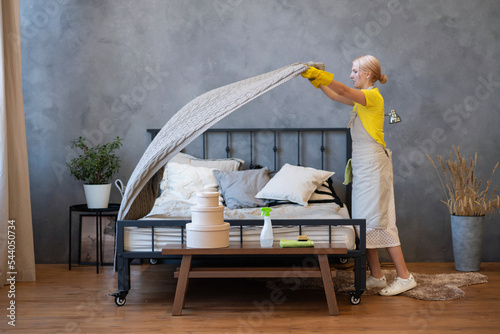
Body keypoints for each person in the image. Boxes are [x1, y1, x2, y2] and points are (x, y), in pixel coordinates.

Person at [301, 55, 417, 296]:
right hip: (365, 167)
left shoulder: (371, 96)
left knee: (380, 221)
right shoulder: (359, 101)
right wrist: (315, 79)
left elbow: (341, 88)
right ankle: (377, 276)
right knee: (364, 222)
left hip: (374, 166)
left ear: (367, 75)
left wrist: (320, 74)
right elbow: (335, 94)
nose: (351, 75)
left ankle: (405, 277)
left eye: (355, 71)